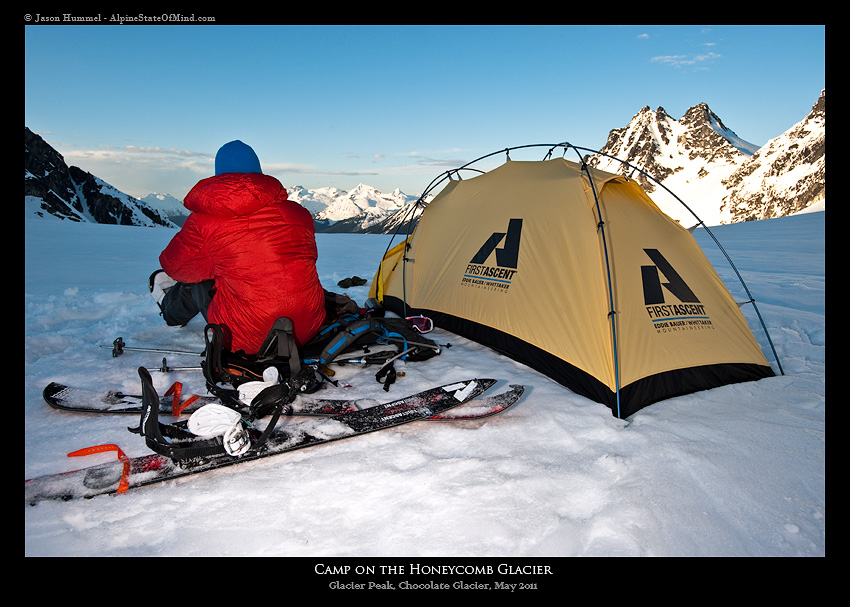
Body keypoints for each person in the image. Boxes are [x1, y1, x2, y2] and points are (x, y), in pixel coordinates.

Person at [150, 140, 326, 355]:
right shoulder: (298, 214)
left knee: (196, 280)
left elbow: (176, 268)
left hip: (248, 338)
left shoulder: (204, 221)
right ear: (259, 172)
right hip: (307, 329)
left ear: (217, 175)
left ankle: (170, 312)